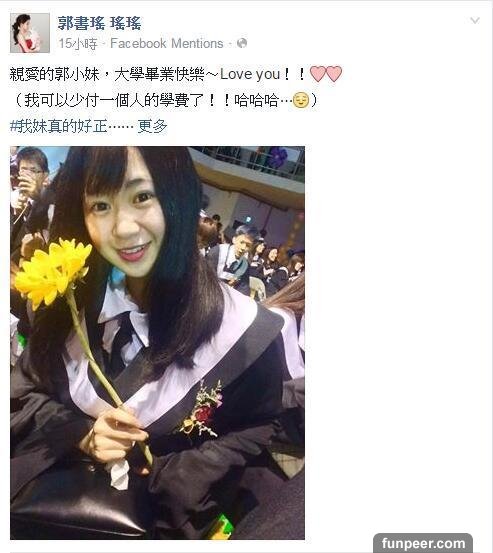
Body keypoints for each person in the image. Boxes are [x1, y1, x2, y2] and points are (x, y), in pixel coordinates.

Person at [11, 147, 285, 539]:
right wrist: (79, 434)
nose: (123, 229)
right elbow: (23, 391)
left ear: (179, 197)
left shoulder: (244, 333)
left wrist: (169, 476)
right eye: (100, 205)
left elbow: (256, 429)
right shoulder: (65, 301)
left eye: (142, 196)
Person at [207, 224, 259, 296]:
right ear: (234, 239)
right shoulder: (217, 252)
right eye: (242, 242)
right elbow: (205, 278)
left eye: (248, 245)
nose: (243, 248)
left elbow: (244, 289)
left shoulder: (244, 265)